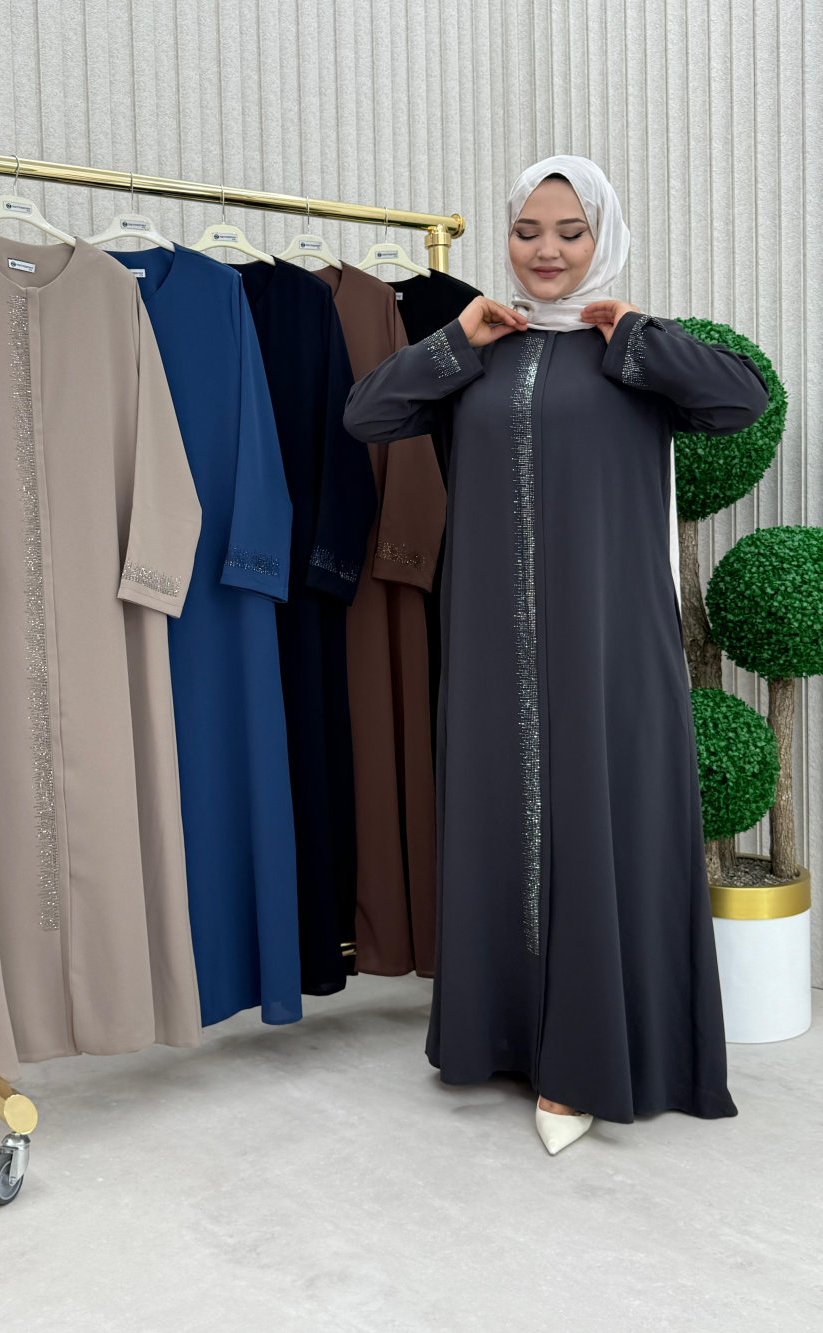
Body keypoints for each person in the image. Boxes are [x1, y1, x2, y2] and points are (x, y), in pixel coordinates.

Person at [343, 155, 769, 1155]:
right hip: (492, 646)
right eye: (527, 230)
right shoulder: (481, 352)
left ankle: (587, 1058)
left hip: (610, 643)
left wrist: (641, 335)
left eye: (569, 232)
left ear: (601, 236)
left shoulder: (631, 349)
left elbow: (739, 403)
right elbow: (367, 413)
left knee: (597, 819)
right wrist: (454, 341)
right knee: (503, 820)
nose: (546, 251)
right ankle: (500, 1034)